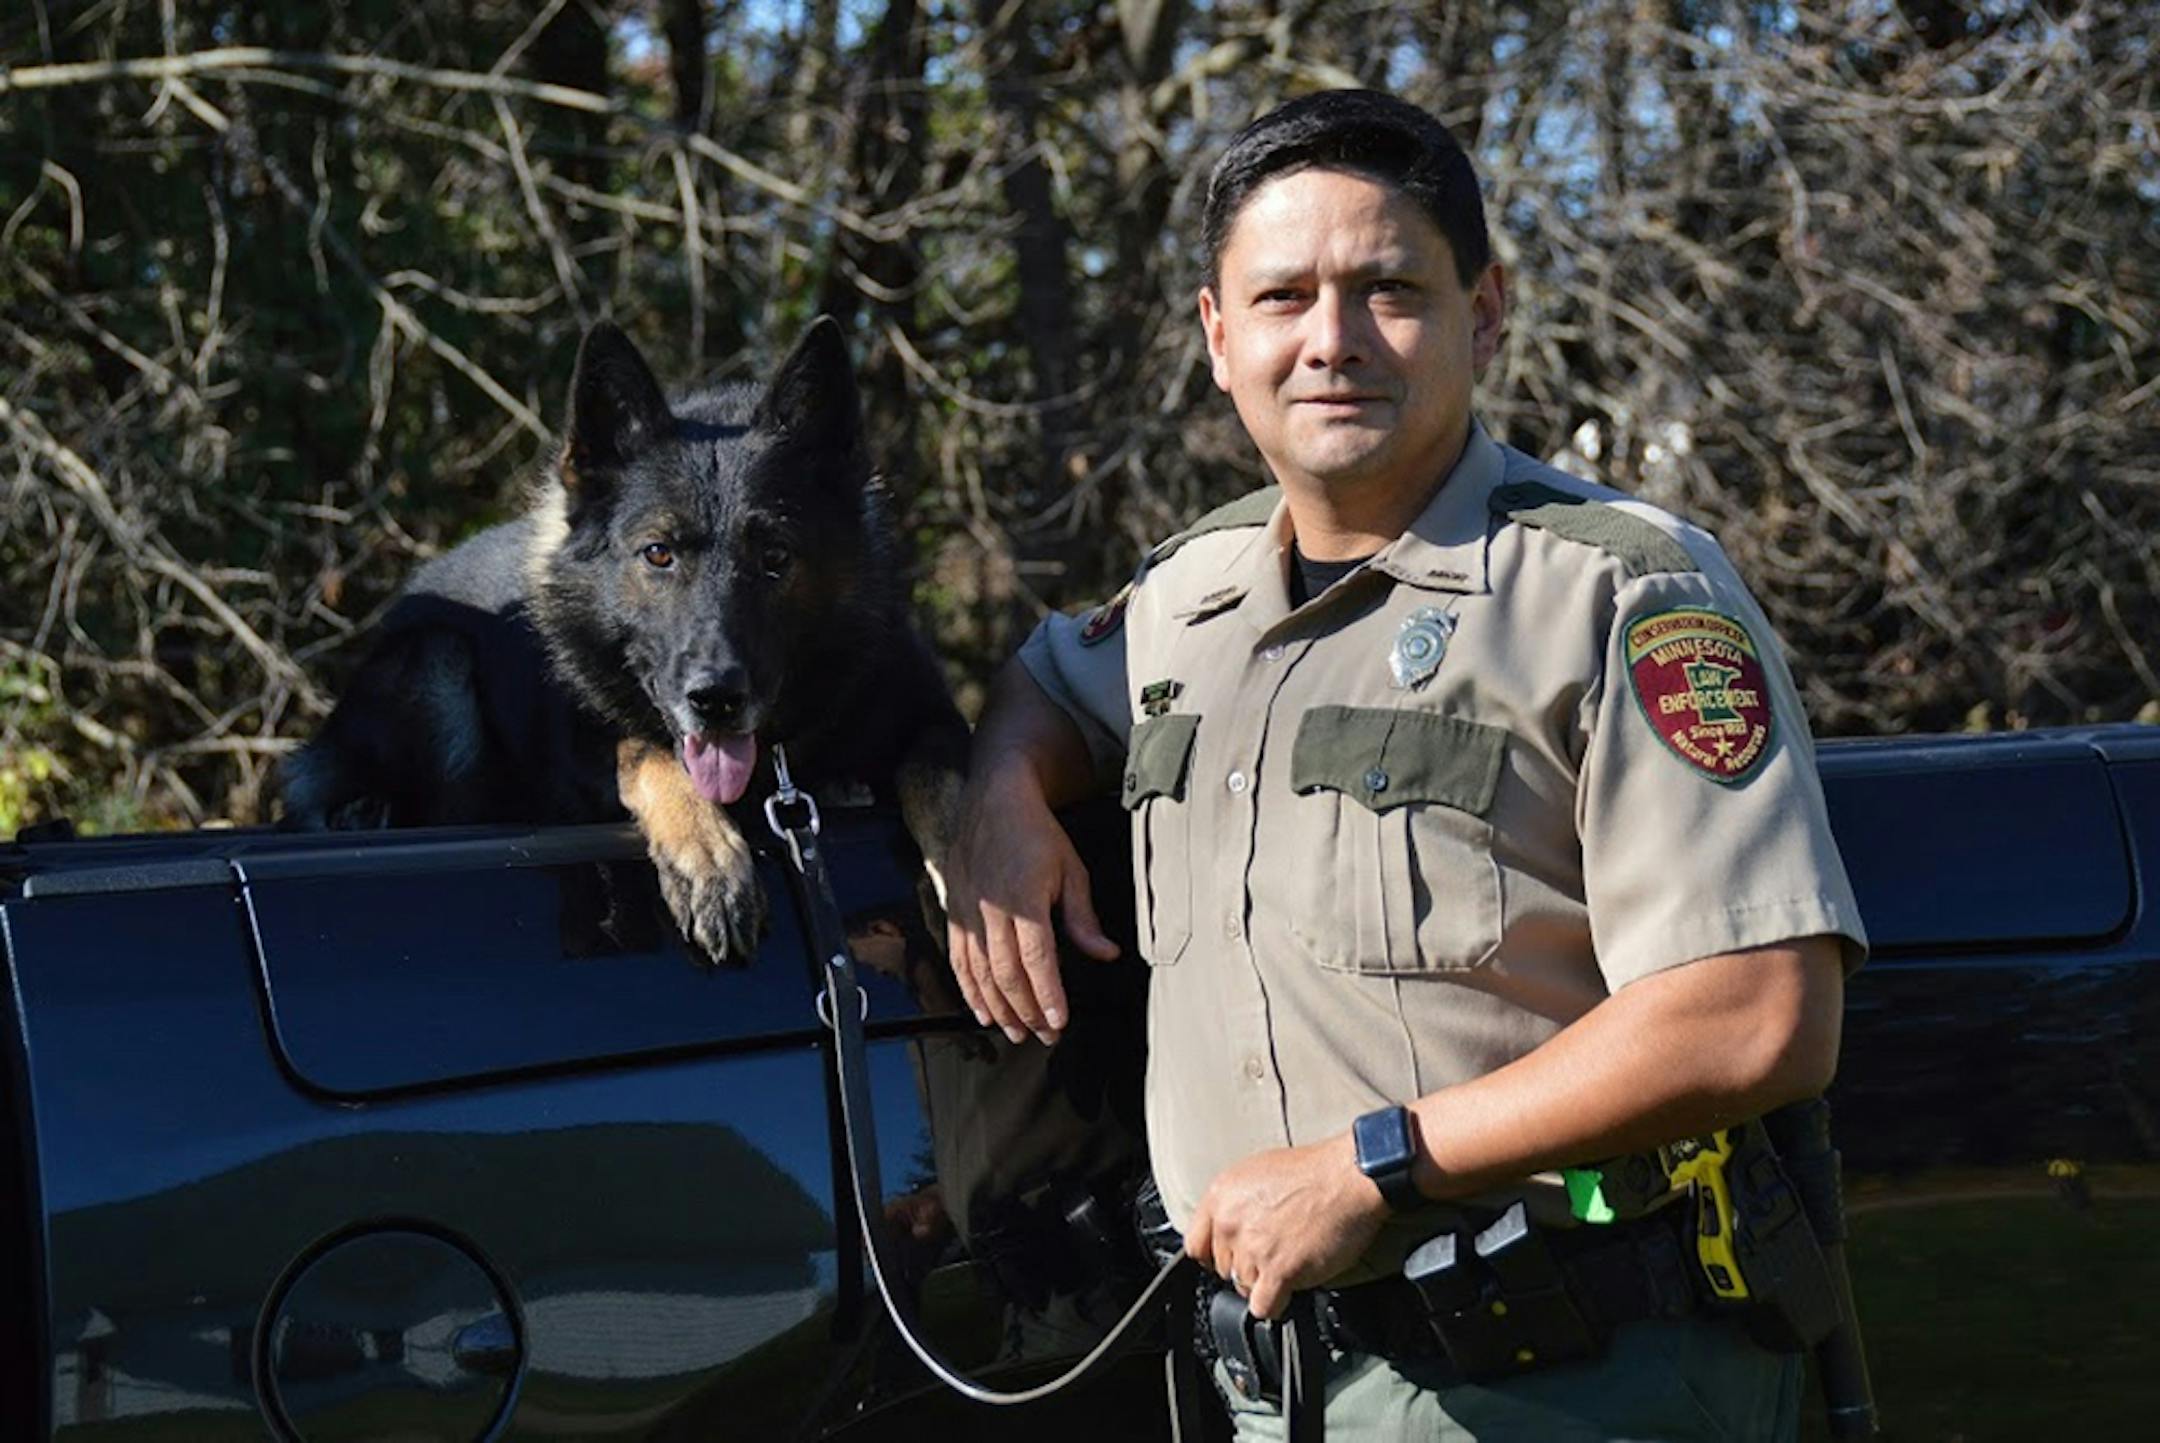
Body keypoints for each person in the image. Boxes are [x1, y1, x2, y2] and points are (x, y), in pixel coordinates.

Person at [941, 88, 1867, 1440]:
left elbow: (1759, 1012)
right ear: (1216, 334)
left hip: (1570, 1384)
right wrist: (1003, 802)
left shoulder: (1618, 594)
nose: (1331, 341)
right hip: (1273, 1392)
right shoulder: (1186, 604)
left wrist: (1378, 1167)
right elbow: (1041, 682)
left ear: (1483, 314)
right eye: (1281, 298)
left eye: (1388, 290)